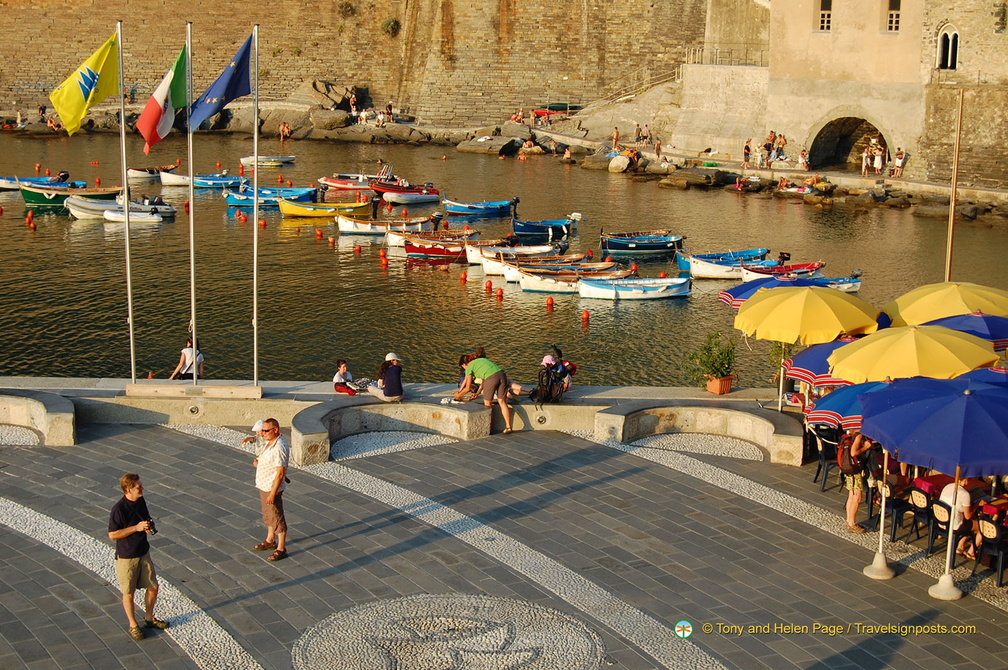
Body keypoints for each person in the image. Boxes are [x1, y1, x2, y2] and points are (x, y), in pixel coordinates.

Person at [108, 473, 170, 640]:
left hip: (143, 552)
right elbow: (112, 535)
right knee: (128, 593)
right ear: (128, 489)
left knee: (153, 587)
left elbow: (146, 517)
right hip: (127, 557)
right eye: (138, 487)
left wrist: (148, 526)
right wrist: (136, 528)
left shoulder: (140, 500)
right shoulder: (118, 510)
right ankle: (133, 625)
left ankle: (149, 618)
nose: (142, 488)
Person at [252, 418, 289, 561]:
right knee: (268, 514)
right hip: (264, 484)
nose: (263, 433)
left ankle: (281, 548)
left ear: (276, 430)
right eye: (263, 430)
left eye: (266, 430)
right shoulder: (270, 441)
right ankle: (270, 539)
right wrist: (258, 464)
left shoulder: (279, 447)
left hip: (271, 487)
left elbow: (280, 472)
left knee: (277, 516)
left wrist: (273, 493)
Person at [454, 354, 516, 434]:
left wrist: (457, 396)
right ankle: (508, 427)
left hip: (491, 378)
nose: (464, 370)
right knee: (502, 401)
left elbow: (467, 388)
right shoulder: (481, 360)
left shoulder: (469, 367)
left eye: (463, 367)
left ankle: (489, 428)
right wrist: (478, 393)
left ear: (464, 364)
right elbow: (484, 380)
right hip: (502, 374)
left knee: (487, 403)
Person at [843, 431, 874, 533]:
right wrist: (865, 447)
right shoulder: (859, 435)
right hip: (855, 470)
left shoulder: (850, 432)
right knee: (857, 497)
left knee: (851, 495)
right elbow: (853, 453)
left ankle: (849, 521)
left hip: (847, 468)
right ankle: (852, 523)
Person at [940, 480, 978, 559]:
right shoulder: (965, 494)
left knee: (969, 523)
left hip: (941, 521)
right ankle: (971, 552)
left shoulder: (947, 486)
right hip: (954, 525)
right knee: (981, 526)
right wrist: (976, 505)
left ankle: (960, 547)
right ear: (965, 481)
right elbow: (968, 516)